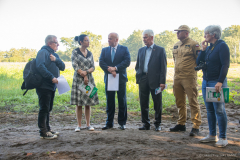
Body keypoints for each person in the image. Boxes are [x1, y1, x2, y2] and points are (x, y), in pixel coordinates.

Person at [197, 25, 230, 147]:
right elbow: (198, 62)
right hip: (206, 81)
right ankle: (212, 135)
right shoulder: (210, 48)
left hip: (216, 82)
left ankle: (223, 137)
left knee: (219, 110)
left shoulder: (222, 46)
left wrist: (220, 81)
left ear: (213, 35)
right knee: (210, 110)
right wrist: (203, 50)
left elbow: (225, 65)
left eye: (206, 34)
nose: (204, 36)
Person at [170, 25, 202, 136]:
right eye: (177, 32)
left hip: (189, 77)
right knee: (179, 101)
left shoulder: (194, 44)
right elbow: (175, 60)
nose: (177, 34)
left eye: (179, 32)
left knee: (192, 101)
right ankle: (181, 123)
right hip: (177, 77)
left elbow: (199, 60)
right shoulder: (176, 45)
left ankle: (196, 125)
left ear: (186, 33)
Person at [135, 29, 167, 131]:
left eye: (145, 37)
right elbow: (137, 66)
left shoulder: (160, 50)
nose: (144, 39)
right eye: (143, 38)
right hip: (143, 79)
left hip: (156, 81)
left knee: (157, 103)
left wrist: (162, 82)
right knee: (143, 102)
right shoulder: (141, 50)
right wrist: (139, 74)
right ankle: (146, 124)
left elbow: (163, 67)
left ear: (151, 37)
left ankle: (157, 124)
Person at [36, 35, 65, 139]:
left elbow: (63, 67)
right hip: (44, 85)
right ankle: (43, 132)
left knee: (48, 108)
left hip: (52, 86)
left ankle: (48, 129)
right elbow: (40, 66)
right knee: (44, 108)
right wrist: (51, 77)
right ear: (49, 43)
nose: (58, 44)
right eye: (56, 43)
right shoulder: (42, 52)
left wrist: (56, 59)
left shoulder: (54, 54)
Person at [99, 32, 131, 130]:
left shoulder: (124, 49)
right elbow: (101, 62)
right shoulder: (104, 50)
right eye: (108, 38)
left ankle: (122, 123)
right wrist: (109, 69)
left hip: (120, 79)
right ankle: (109, 123)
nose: (108, 40)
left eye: (110, 38)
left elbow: (127, 61)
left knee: (122, 100)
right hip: (109, 78)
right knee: (110, 101)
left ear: (116, 40)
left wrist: (115, 68)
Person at [71, 34, 99, 132]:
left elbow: (93, 67)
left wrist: (86, 73)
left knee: (88, 103)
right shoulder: (75, 52)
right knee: (79, 104)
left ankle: (88, 124)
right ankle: (79, 125)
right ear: (81, 42)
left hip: (89, 80)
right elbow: (75, 65)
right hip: (79, 80)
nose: (88, 42)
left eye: (88, 40)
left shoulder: (90, 53)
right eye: (86, 40)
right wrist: (83, 75)